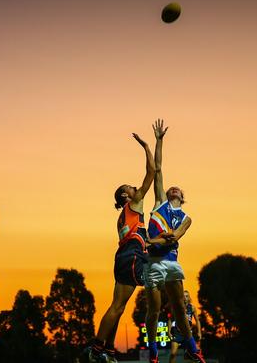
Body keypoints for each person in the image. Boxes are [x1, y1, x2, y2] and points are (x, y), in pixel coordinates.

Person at [87, 132, 155, 363]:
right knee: (120, 305)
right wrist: (146, 146)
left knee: (118, 306)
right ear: (126, 195)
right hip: (132, 256)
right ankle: (96, 350)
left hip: (123, 257)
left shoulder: (123, 217)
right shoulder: (134, 205)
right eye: (132, 187)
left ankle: (107, 349)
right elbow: (151, 174)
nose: (137, 188)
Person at [143, 119, 203, 363]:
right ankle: (155, 352)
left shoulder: (186, 218)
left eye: (178, 189)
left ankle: (191, 347)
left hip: (170, 261)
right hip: (153, 264)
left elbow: (174, 238)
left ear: (182, 197)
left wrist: (154, 239)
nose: (174, 188)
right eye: (172, 188)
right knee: (154, 310)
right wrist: (159, 141)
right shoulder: (160, 203)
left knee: (180, 307)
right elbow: (158, 169)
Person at [168, 290, 202, 363]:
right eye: (183, 296)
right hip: (177, 333)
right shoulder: (176, 307)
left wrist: (199, 332)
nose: (185, 298)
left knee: (193, 354)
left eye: (187, 296)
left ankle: (188, 354)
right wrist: (168, 332)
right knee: (173, 354)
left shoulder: (192, 308)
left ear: (189, 298)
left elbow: (197, 320)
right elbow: (170, 319)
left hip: (188, 333)